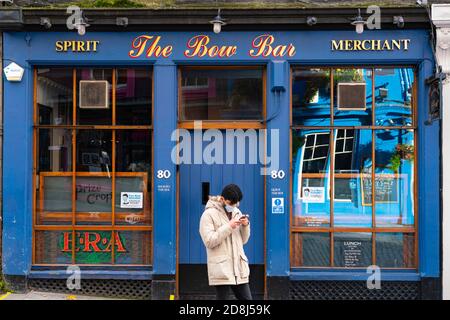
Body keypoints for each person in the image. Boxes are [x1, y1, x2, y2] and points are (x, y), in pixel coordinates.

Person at [199, 184, 252, 300]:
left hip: (239, 267)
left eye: (236, 203)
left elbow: (243, 240)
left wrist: (245, 225)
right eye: (231, 203)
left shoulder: (237, 212)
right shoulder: (208, 215)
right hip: (221, 267)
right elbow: (209, 241)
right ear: (222, 199)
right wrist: (229, 226)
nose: (234, 206)